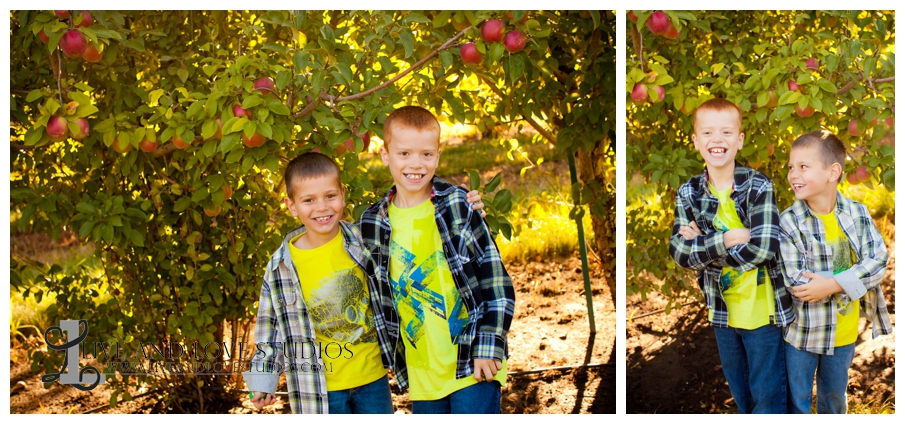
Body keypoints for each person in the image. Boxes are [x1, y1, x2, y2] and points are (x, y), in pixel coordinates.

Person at [242, 151, 487, 413]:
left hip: (373, 379)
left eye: (330, 196)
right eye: (308, 200)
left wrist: (462, 208)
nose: (322, 207)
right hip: (318, 388)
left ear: (343, 194)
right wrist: (263, 380)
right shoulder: (281, 266)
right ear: (291, 206)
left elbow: (415, 233)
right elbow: (270, 329)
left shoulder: (364, 240)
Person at [359, 105, 515, 414]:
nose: (415, 164)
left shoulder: (457, 205)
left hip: (473, 361)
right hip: (423, 374)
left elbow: (495, 281)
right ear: (385, 155)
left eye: (426, 154)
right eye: (404, 154)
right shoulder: (372, 224)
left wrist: (489, 344)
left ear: (438, 155)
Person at [669, 98, 794, 413]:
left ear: (739, 140)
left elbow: (765, 249)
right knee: (741, 395)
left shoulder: (758, 187)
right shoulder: (689, 193)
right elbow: (680, 252)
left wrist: (705, 245)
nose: (717, 140)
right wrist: (727, 238)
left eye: (726, 132)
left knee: (768, 397)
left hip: (763, 314)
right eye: (708, 132)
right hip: (722, 313)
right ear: (696, 141)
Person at [779, 130, 892, 414]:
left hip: (843, 332)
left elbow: (878, 260)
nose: (794, 174)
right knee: (798, 399)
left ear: (833, 172)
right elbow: (797, 282)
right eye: (791, 167)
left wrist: (832, 284)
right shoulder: (789, 222)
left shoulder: (857, 214)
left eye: (804, 167)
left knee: (834, 399)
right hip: (802, 334)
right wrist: (853, 277)